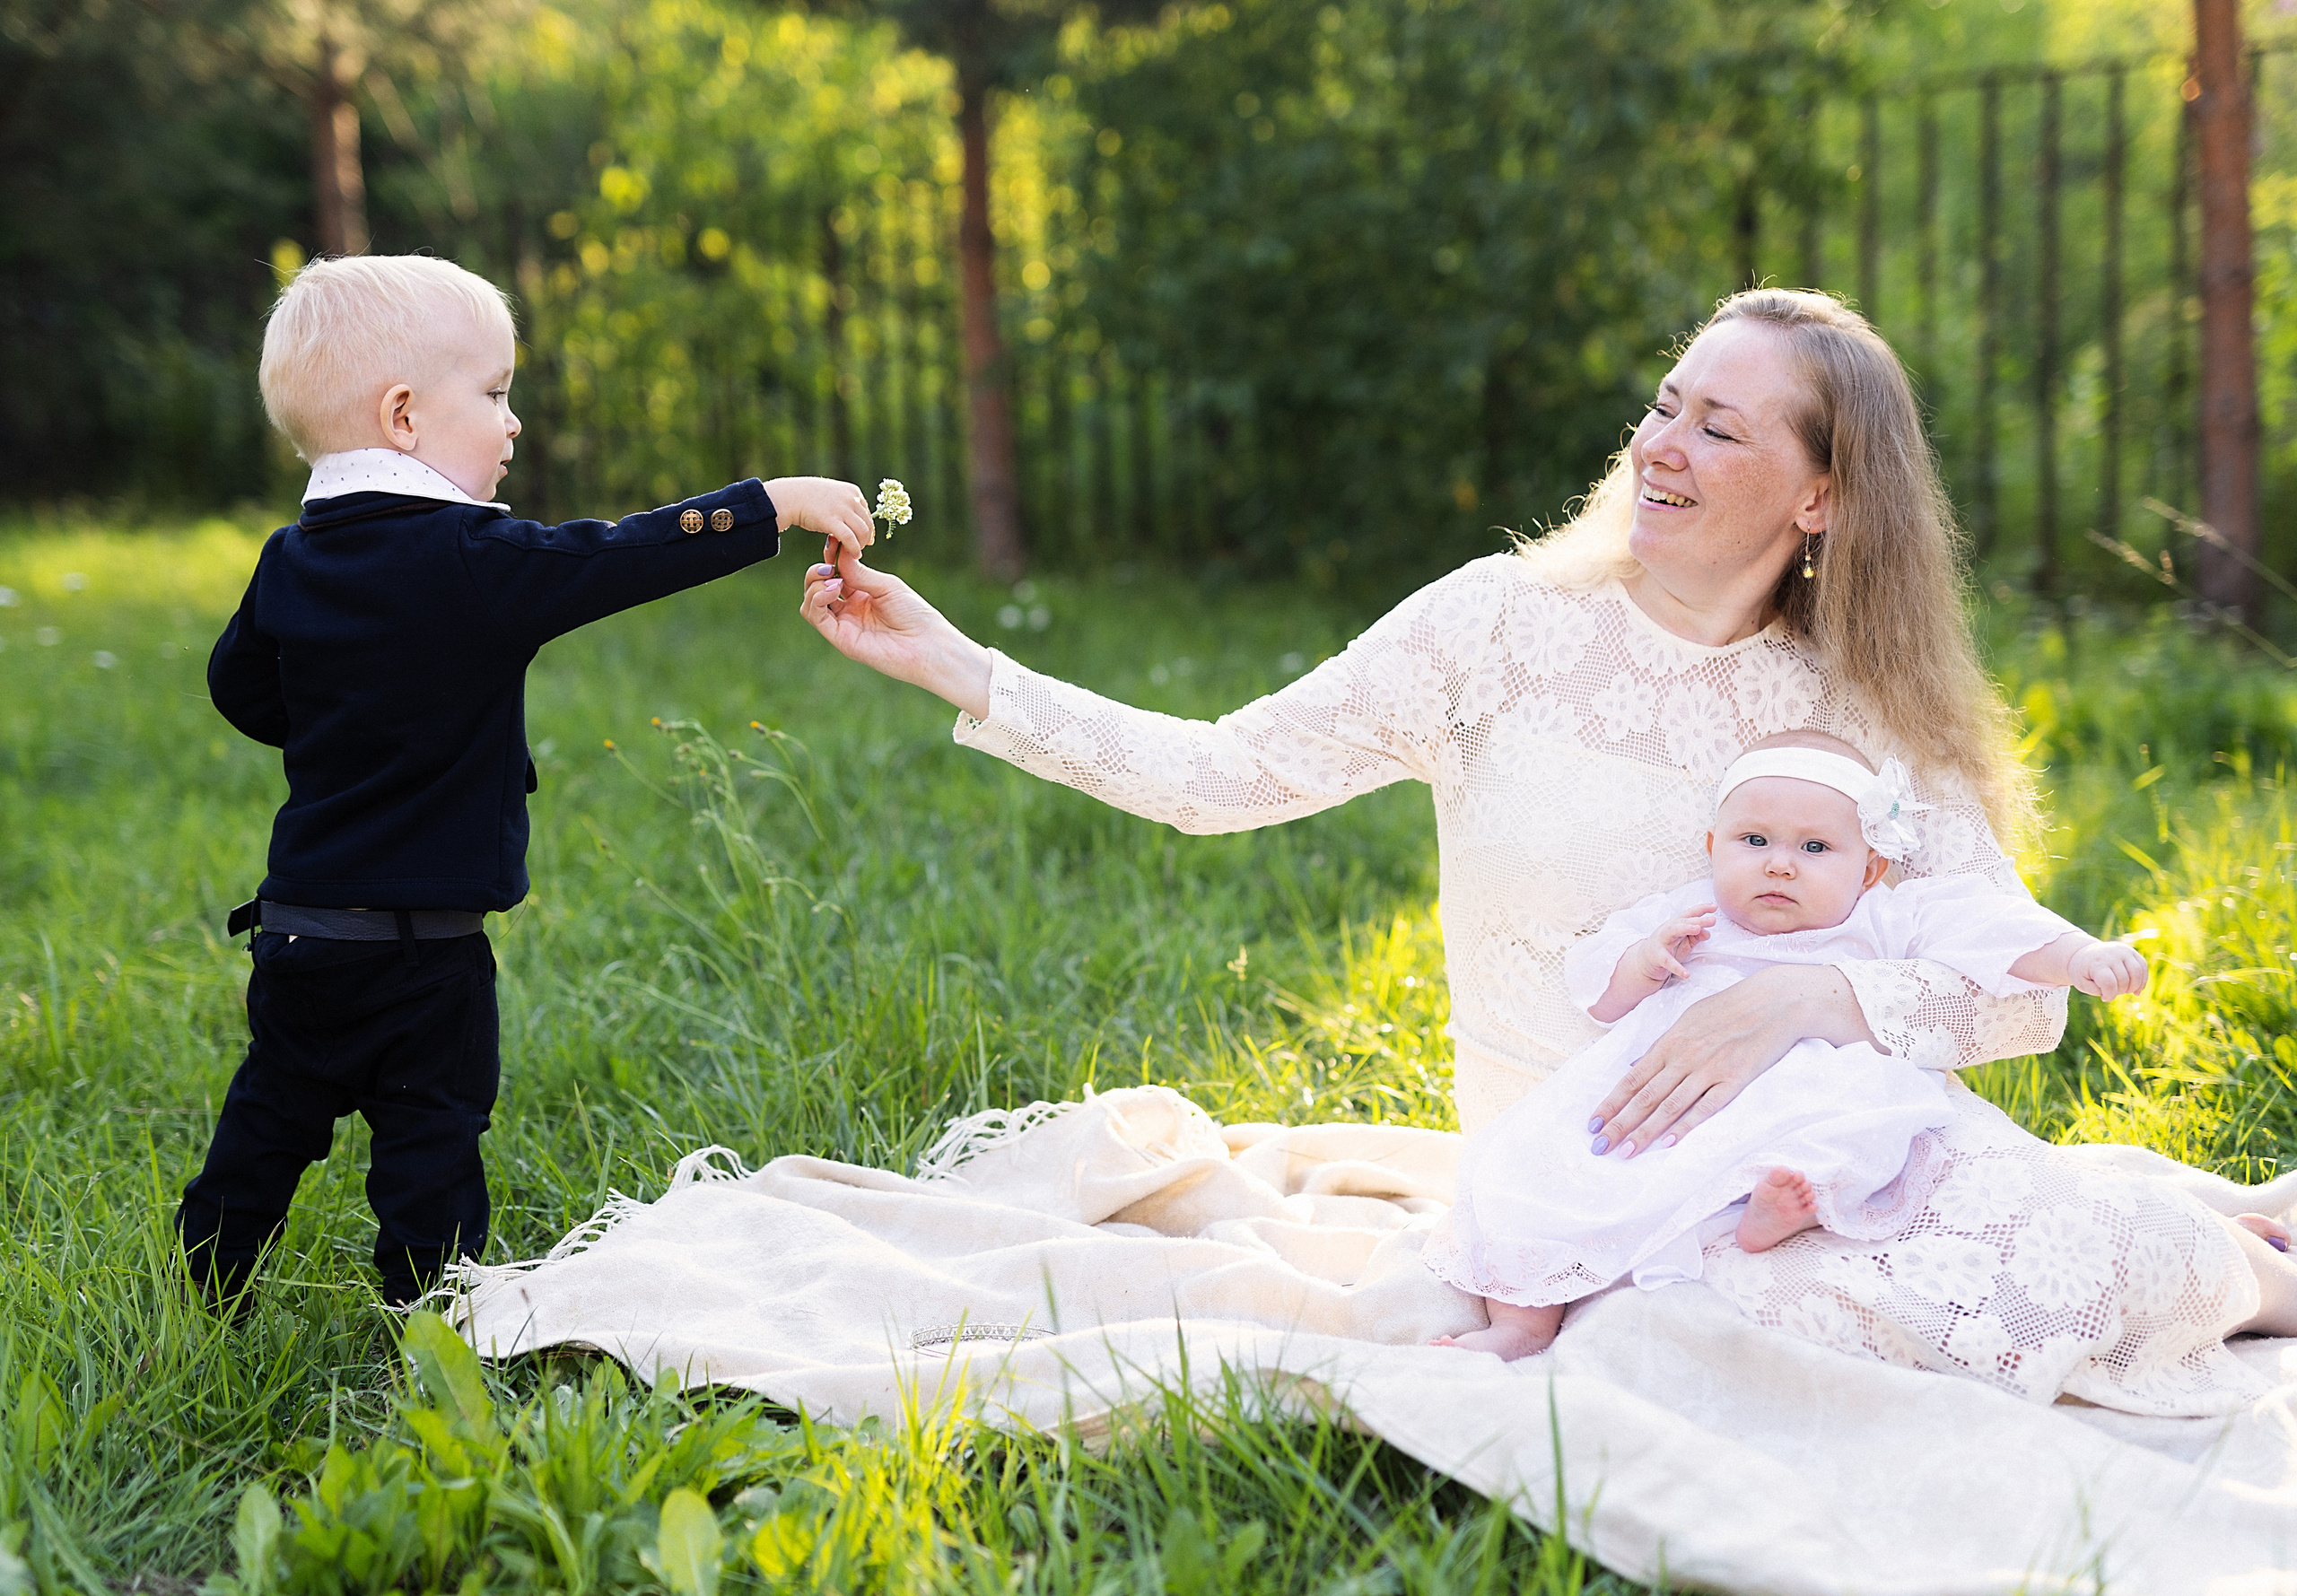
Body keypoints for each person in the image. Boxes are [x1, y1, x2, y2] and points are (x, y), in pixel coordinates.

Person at [799, 287, 2295, 1415]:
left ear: (1822, 495)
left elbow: (2021, 984)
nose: (1664, 443)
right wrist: (962, 665)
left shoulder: (1859, 703)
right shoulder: (1492, 628)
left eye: (1722, 426)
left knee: (2103, 1265)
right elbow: (1222, 771)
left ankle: (2241, 1262)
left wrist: (1809, 998)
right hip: (1566, 1187)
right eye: (1666, 403)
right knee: (1737, 1351)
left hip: (1791, 1175)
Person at [176, 254, 876, 1309]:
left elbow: (239, 686)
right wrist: (764, 506)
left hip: (300, 934)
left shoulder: (289, 555)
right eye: (495, 394)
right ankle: (434, 1319)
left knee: (271, 1113)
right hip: (429, 957)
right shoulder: (471, 555)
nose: (513, 425)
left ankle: (199, 1289)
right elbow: (615, 556)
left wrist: (351, 732)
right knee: (433, 1134)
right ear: (403, 415)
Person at [1427, 728, 2162, 1359]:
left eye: (1815, 847)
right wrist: (1644, 960)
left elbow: (1992, 927)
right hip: (1667, 1103)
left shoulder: (1882, 916)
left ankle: (1781, 1213)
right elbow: (1597, 988)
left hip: (1805, 1099)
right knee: (1533, 1169)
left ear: (1870, 867)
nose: (1780, 863)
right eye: (1755, 841)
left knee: (1868, 1119)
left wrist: (2077, 957)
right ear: (1713, 847)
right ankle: (1522, 1325)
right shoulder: (1692, 912)